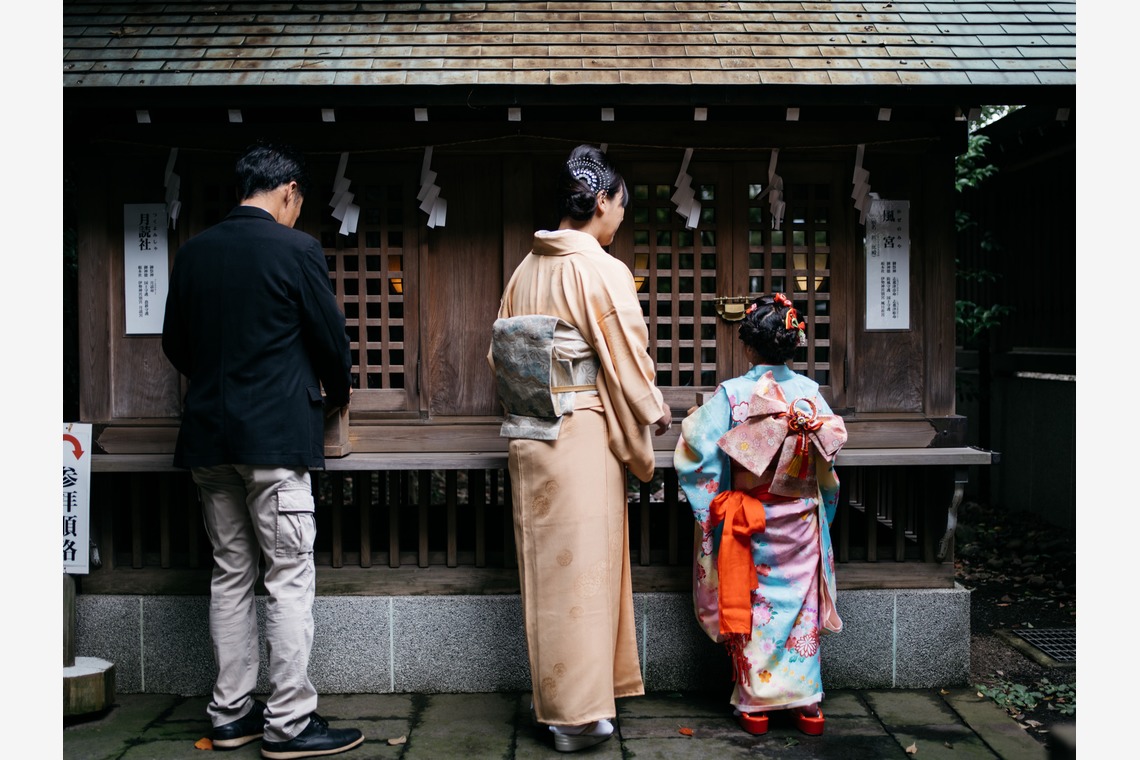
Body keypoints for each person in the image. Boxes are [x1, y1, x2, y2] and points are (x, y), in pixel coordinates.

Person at [161, 143, 364, 759]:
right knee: (288, 576)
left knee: (230, 573)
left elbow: (176, 344)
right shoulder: (295, 249)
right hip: (274, 439)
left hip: (208, 437)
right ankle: (291, 723)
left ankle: (230, 715)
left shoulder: (193, 252)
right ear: (290, 192)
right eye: (298, 203)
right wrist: (335, 390)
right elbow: (331, 342)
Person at [487, 144, 672, 753]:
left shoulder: (525, 268)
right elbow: (625, 356)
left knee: (552, 576)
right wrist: (652, 410)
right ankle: (574, 717)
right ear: (600, 202)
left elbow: (500, 356)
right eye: (620, 206)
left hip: (530, 433)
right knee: (586, 575)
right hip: (583, 433)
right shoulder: (601, 269)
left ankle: (582, 702)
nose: (620, 219)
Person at [673, 293, 847, 736]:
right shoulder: (811, 395)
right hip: (801, 519)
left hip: (752, 521)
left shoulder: (734, 394)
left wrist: (716, 504)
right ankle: (808, 705)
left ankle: (756, 705)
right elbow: (826, 461)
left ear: (748, 347)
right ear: (795, 345)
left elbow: (697, 452)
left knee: (754, 607)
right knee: (800, 612)